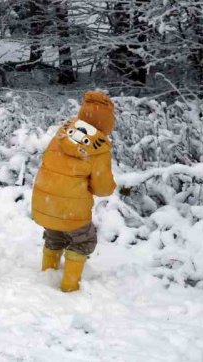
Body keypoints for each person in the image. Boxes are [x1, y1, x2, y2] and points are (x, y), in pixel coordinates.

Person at [31, 91, 117, 292]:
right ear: (106, 124)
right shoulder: (99, 148)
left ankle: (47, 273)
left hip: (45, 200)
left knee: (55, 235)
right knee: (84, 239)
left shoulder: (63, 133)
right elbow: (103, 188)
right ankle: (69, 287)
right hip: (71, 208)